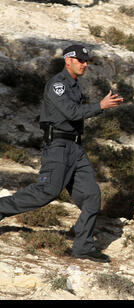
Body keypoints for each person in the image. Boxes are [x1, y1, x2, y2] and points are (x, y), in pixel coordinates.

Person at [0, 44, 124, 263]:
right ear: (68, 60)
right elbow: (71, 112)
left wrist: (99, 107)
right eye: (81, 61)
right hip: (58, 147)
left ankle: (83, 247)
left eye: (87, 61)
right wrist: (101, 106)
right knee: (46, 192)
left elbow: (77, 116)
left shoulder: (75, 85)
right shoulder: (58, 84)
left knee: (92, 196)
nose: (85, 65)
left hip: (75, 148)